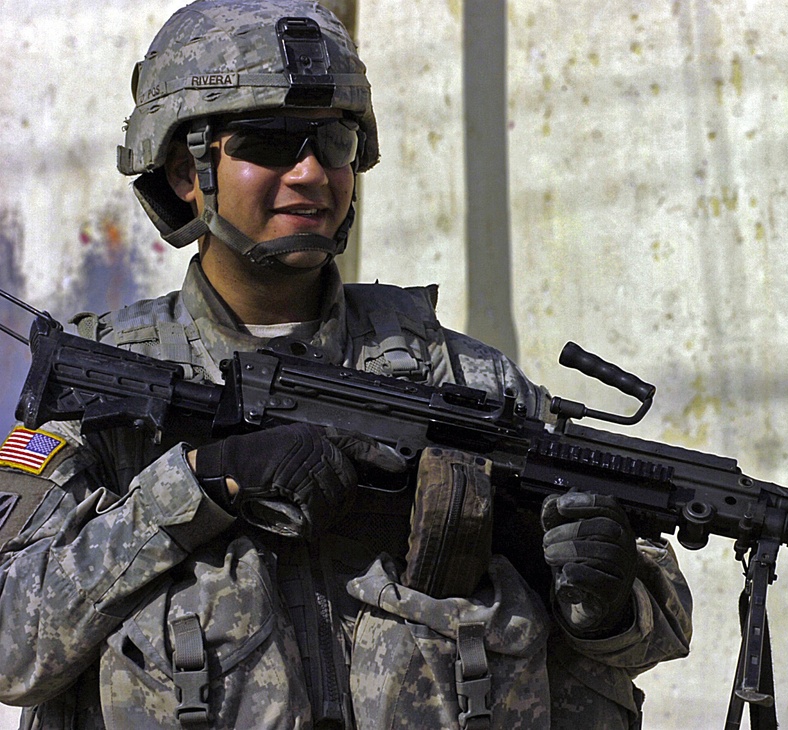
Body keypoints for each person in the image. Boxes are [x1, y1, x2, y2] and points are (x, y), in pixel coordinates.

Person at [0, 1, 693, 728]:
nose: (310, 174)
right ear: (184, 171)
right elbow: (12, 647)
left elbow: (659, 626)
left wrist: (609, 595)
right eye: (269, 144)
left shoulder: (463, 383)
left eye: (333, 141)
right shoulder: (107, 393)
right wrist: (197, 484)